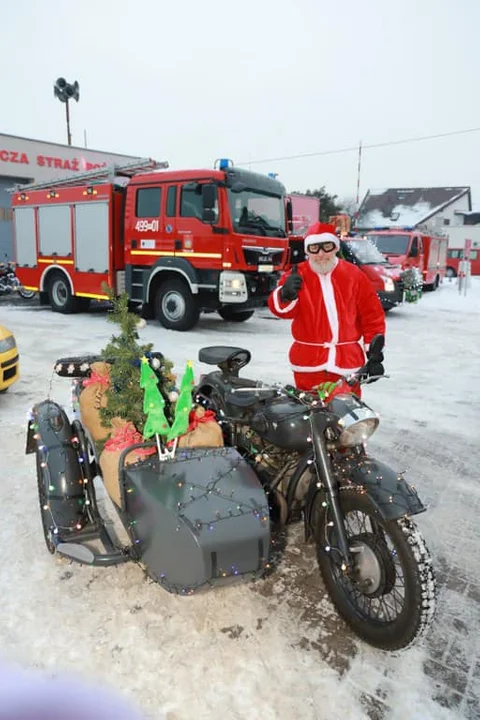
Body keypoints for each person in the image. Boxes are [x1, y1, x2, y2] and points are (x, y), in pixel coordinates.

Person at [268, 222, 386, 394]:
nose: (321, 254)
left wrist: (374, 354)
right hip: (308, 363)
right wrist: (284, 295)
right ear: (308, 250)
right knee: (310, 413)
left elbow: (372, 316)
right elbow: (281, 311)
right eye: (315, 248)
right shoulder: (296, 274)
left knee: (346, 413)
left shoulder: (354, 275)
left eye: (327, 247)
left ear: (335, 247)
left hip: (346, 362)